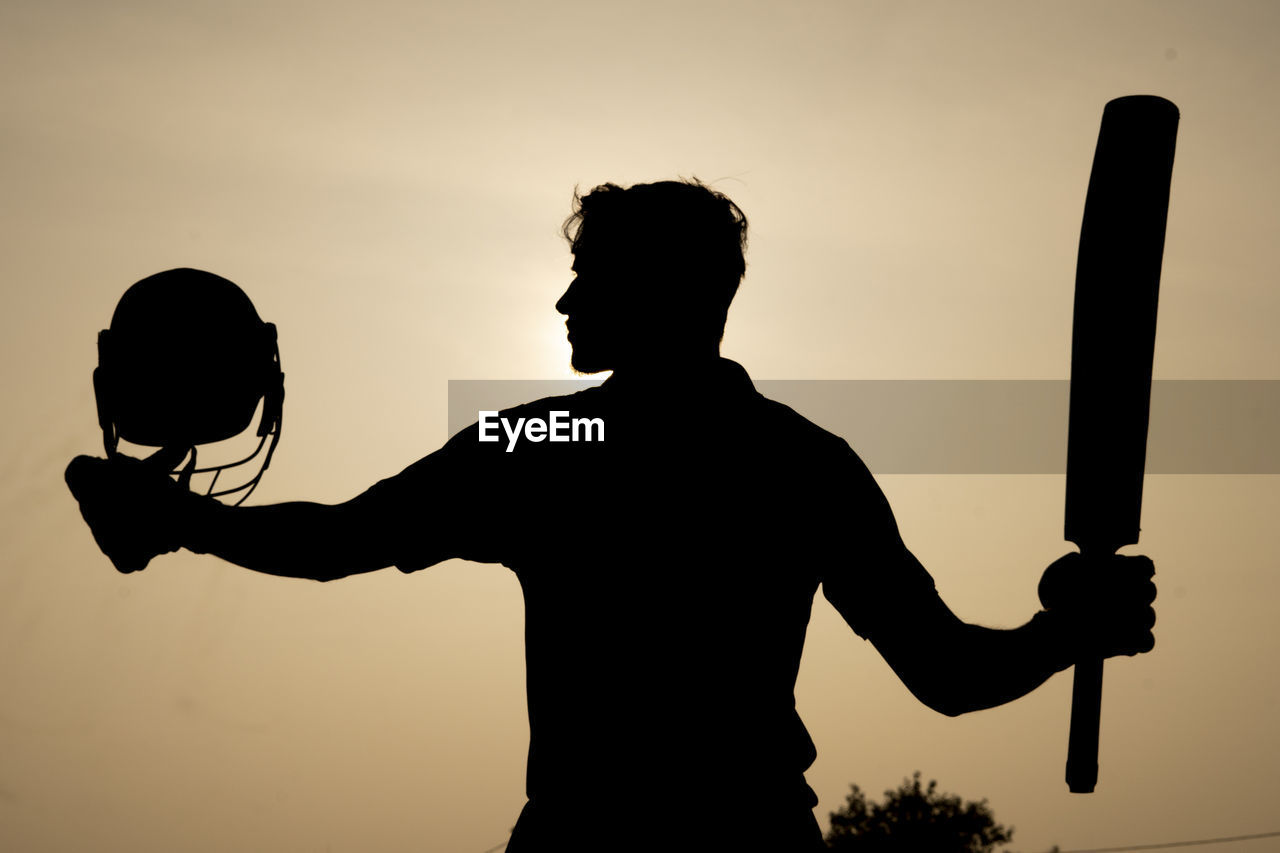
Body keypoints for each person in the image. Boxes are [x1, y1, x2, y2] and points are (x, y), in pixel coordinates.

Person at [66, 179, 1156, 852]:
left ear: (653, 295)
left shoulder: (559, 449)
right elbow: (952, 676)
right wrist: (1063, 632)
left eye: (586, 277)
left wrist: (175, 522)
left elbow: (340, 542)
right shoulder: (796, 462)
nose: (562, 301)